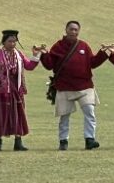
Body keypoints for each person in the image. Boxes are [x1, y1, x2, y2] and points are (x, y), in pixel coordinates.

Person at [40, 21, 108, 151]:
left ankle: (90, 140)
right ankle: (63, 141)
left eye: (76, 30)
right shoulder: (57, 47)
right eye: (71, 29)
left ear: (79, 31)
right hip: (64, 87)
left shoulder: (83, 46)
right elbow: (49, 65)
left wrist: (103, 53)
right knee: (64, 116)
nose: (74, 32)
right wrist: (44, 54)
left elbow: (92, 63)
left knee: (90, 112)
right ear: (66, 30)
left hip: (85, 86)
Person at [0, 30, 43, 151]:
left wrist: (36, 55)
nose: (12, 44)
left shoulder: (19, 54)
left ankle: (18, 142)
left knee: (18, 114)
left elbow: (29, 66)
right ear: (4, 42)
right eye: (10, 41)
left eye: (14, 41)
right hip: (0, 90)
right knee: (0, 114)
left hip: (16, 89)